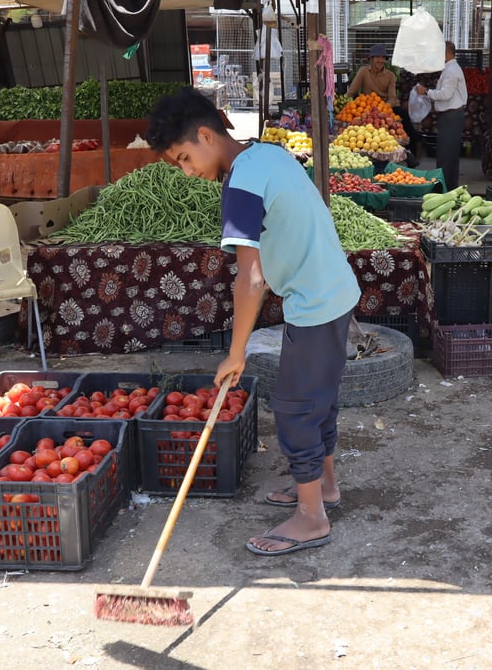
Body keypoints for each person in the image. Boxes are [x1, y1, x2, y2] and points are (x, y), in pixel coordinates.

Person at [146, 87, 361, 557]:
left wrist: (236, 351)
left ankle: (311, 518)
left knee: (294, 408)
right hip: (332, 290)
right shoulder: (265, 154)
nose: (187, 171)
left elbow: (251, 276)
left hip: (316, 300)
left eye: (185, 158)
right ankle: (323, 488)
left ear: (206, 134)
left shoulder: (241, 184)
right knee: (316, 402)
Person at [348, 44, 421, 161]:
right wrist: (344, 105)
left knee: (404, 119)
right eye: (377, 57)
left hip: (384, 107)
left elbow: (392, 97)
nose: (381, 60)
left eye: (383, 58)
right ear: (371, 59)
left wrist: (384, 107)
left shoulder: (390, 75)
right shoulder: (363, 71)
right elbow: (351, 91)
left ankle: (411, 154)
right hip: (367, 107)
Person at [416, 40, 467, 188]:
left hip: (452, 117)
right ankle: (449, 186)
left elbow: (445, 94)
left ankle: (446, 188)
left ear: (446, 53)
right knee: (448, 155)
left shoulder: (452, 71)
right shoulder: (450, 69)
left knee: (447, 156)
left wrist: (426, 91)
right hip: (449, 117)